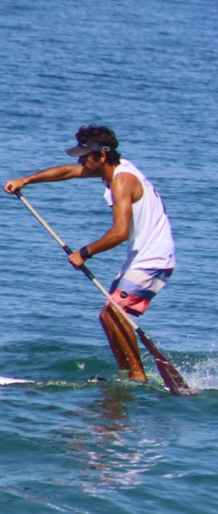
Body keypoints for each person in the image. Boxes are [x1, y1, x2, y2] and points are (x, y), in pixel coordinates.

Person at [4, 125, 176, 382]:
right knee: (108, 316)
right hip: (140, 258)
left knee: (114, 312)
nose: (80, 161)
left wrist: (84, 252)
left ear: (102, 156)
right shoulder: (111, 169)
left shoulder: (122, 181)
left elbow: (120, 232)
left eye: (85, 156)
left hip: (154, 259)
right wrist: (26, 180)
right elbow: (67, 172)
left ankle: (138, 377)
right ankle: (128, 374)